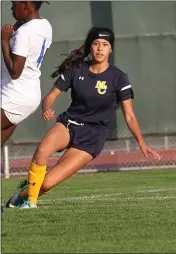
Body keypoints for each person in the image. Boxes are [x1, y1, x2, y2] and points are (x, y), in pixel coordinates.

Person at [5, 27, 161, 209]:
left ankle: (23, 195)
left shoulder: (119, 78)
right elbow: (50, 97)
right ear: (90, 47)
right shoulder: (76, 69)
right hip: (69, 124)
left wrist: (142, 143)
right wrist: (47, 108)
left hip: (92, 137)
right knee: (41, 152)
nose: (100, 48)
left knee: (46, 184)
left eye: (105, 44)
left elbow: (130, 116)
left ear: (111, 49)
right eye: (96, 44)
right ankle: (30, 203)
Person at [1, 1, 52, 148]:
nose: (11, 8)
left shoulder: (25, 33)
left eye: (14, 4)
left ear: (26, 5)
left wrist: (4, 41)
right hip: (27, 94)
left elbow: (15, 72)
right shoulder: (45, 25)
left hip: (15, 97)